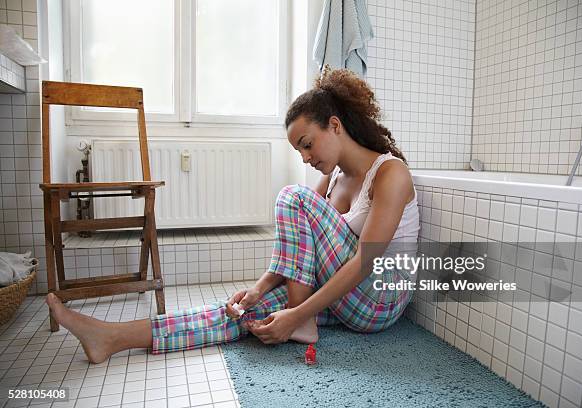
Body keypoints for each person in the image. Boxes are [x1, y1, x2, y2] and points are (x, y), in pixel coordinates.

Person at [45, 67, 420, 364]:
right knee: (246, 314)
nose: (305, 157)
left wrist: (298, 314)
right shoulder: (332, 175)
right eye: (299, 150)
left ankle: (302, 321)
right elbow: (302, 252)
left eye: (307, 144)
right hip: (344, 295)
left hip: (379, 300)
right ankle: (113, 338)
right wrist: (257, 290)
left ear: (334, 126)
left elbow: (363, 263)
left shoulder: (391, 174)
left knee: (292, 196)